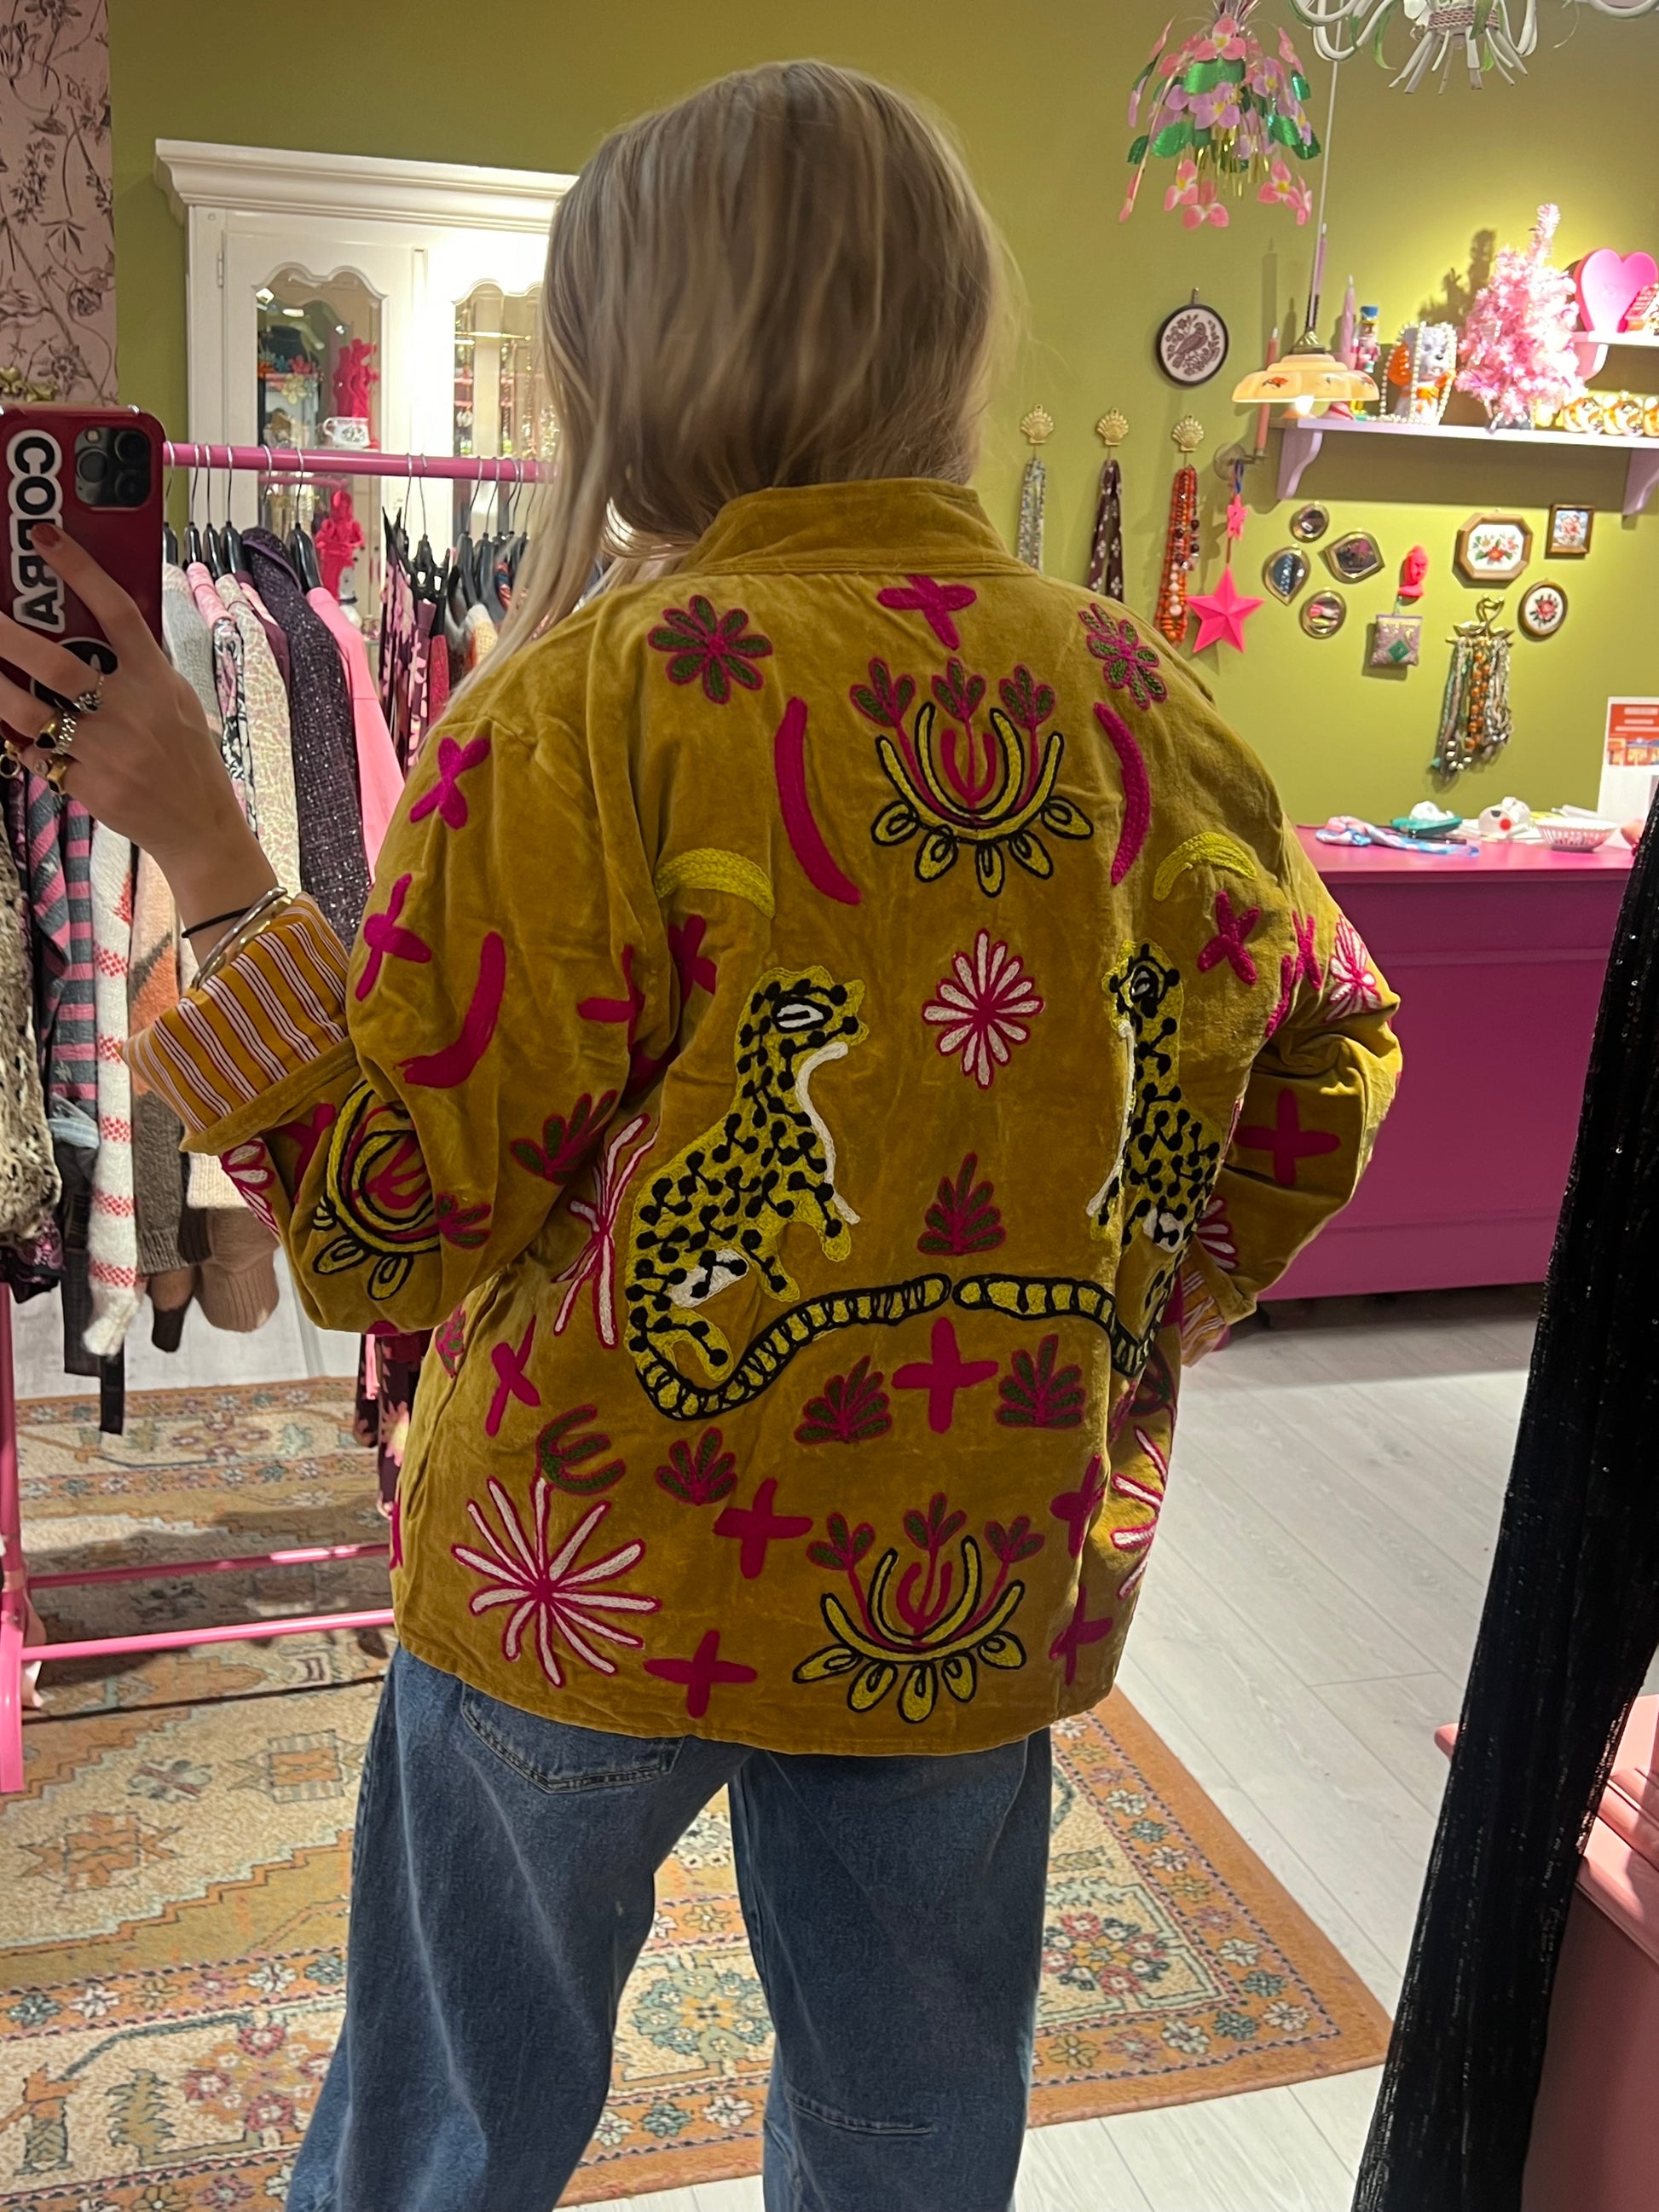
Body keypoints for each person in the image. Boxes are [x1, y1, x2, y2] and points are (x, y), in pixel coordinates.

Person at [0, 61, 1400, 2212]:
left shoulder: (588, 706)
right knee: (909, 2132)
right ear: (947, 338)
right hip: (961, 1573)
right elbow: (1332, 1056)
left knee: (449, 2129)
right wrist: (1129, 1311)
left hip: (579, 1566)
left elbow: (389, 1225)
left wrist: (207, 848)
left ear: (628, 359)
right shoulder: (1147, 704)